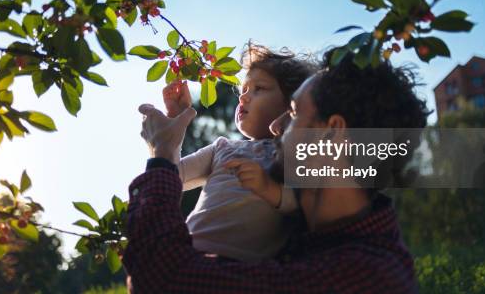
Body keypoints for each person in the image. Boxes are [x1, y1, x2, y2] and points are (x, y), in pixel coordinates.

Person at [124, 50, 428, 293]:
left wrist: (162, 154)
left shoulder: (363, 278)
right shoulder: (312, 244)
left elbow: (164, 281)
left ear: (333, 134)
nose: (275, 126)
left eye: (293, 114)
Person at [161, 44, 315, 262]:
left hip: (243, 269)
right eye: (243, 90)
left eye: (258, 88)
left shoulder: (295, 151)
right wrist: (176, 126)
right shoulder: (222, 147)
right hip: (188, 253)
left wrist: (271, 190)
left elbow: (306, 201)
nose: (243, 97)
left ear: (291, 104)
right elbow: (170, 177)